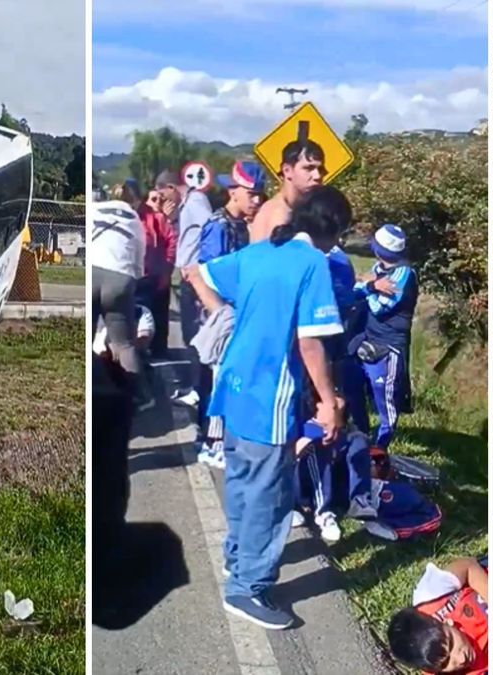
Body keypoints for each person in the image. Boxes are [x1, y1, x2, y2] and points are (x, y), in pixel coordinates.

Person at [180, 185, 348, 630]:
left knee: (241, 481)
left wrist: (226, 317)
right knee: (269, 495)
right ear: (334, 231)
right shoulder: (313, 263)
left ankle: (239, 557)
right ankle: (247, 587)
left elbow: (198, 273)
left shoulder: (258, 253)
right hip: (270, 392)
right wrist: (329, 402)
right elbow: (309, 341)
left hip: (233, 386)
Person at [195, 161, 268, 469]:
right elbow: (209, 273)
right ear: (233, 192)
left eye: (260, 195)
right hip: (221, 316)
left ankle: (225, 438)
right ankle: (212, 444)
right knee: (219, 379)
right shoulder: (219, 226)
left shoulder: (243, 226)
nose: (257, 201)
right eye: (251, 194)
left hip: (241, 315)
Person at [352, 224, 417, 451]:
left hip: (389, 348)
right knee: (357, 390)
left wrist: (368, 288)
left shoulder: (403, 274)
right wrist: (372, 286)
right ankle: (362, 441)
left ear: (378, 248)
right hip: (369, 339)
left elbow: (381, 307)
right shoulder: (379, 269)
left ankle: (380, 449)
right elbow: (356, 290)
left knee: (385, 402)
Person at [90, 195, 154, 411]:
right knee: (123, 344)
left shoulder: (94, 210)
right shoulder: (135, 221)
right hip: (121, 277)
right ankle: (142, 396)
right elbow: (139, 263)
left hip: (93, 269)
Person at [387, 557, 489, 674]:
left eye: (451, 643)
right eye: (445, 664)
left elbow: (468, 565)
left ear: (446, 622)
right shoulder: (429, 661)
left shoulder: (431, 594)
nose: (461, 659)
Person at [155, 168, 214, 346]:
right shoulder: (185, 205)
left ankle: (197, 363)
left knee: (193, 323)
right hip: (186, 270)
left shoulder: (196, 202)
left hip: (194, 271)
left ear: (172, 187)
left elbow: (209, 228)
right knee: (188, 322)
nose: (163, 200)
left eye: (163, 194)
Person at [123, 179, 175, 356]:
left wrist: (166, 271)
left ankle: (156, 349)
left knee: (155, 315)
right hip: (129, 275)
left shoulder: (155, 218)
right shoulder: (121, 217)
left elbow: (170, 243)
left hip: (151, 276)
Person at [248, 139, 325, 243]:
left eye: (320, 169)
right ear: (287, 170)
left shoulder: (291, 208)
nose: (317, 176)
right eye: (308, 168)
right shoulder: (279, 216)